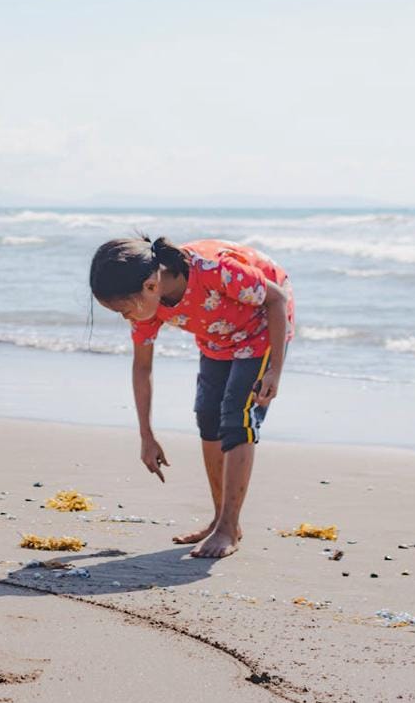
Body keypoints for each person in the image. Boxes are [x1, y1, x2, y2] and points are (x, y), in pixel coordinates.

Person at [89, 237, 294, 558]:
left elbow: (277, 299)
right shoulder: (149, 308)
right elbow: (142, 369)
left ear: (151, 286)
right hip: (217, 335)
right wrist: (146, 435)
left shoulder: (213, 271)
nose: (125, 317)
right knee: (208, 417)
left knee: (237, 418)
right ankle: (220, 521)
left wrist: (275, 370)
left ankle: (230, 527)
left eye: (123, 309)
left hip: (263, 328)